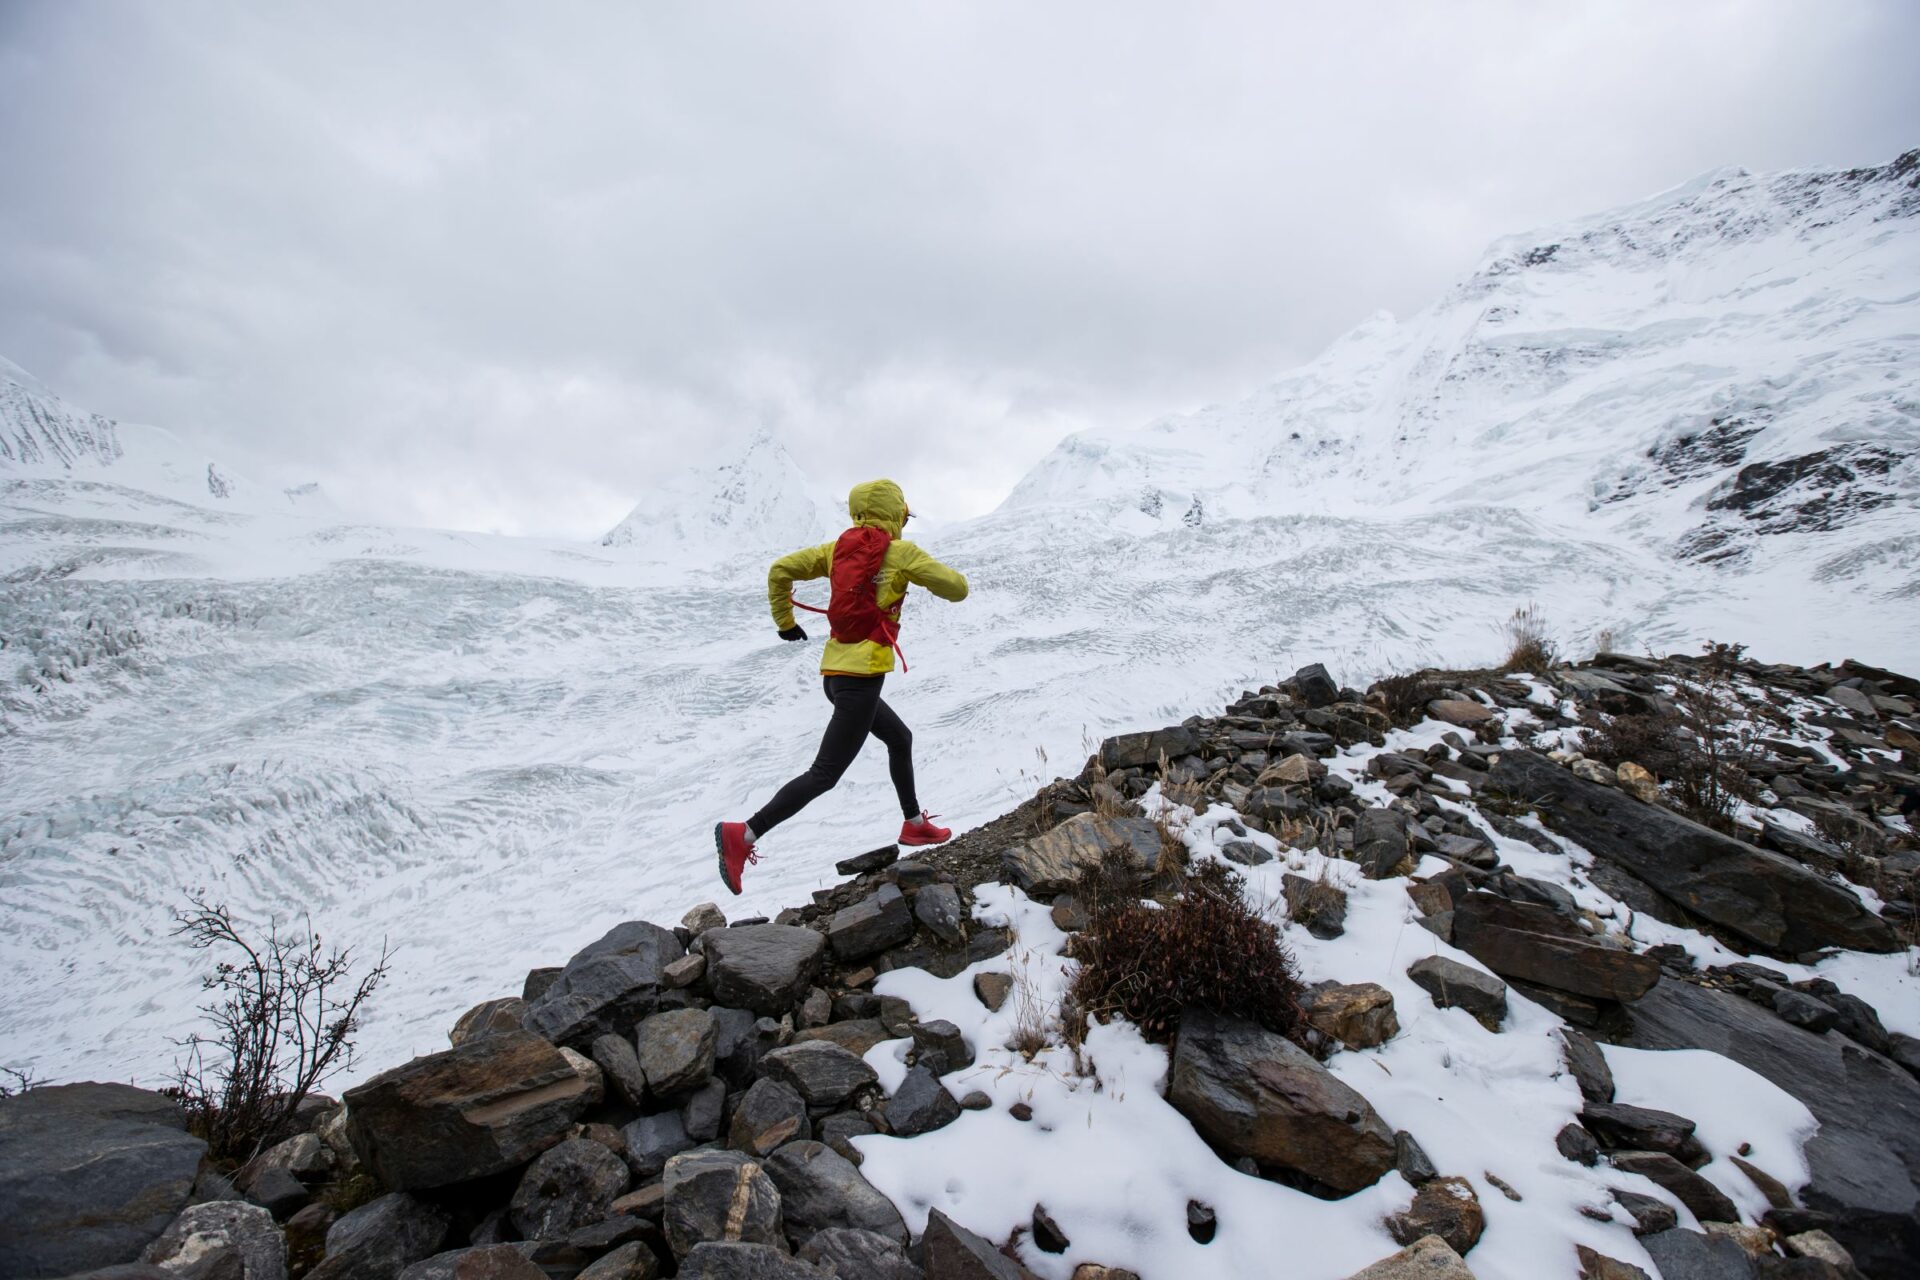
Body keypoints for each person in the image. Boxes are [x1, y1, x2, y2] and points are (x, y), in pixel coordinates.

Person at [714, 478, 969, 894]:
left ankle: (914, 824)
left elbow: (779, 570)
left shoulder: (835, 551)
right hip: (861, 682)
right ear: (896, 513)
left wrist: (785, 623)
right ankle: (742, 834)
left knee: (899, 738)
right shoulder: (900, 552)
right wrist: (919, 571)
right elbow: (957, 589)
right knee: (824, 774)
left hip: (835, 677)